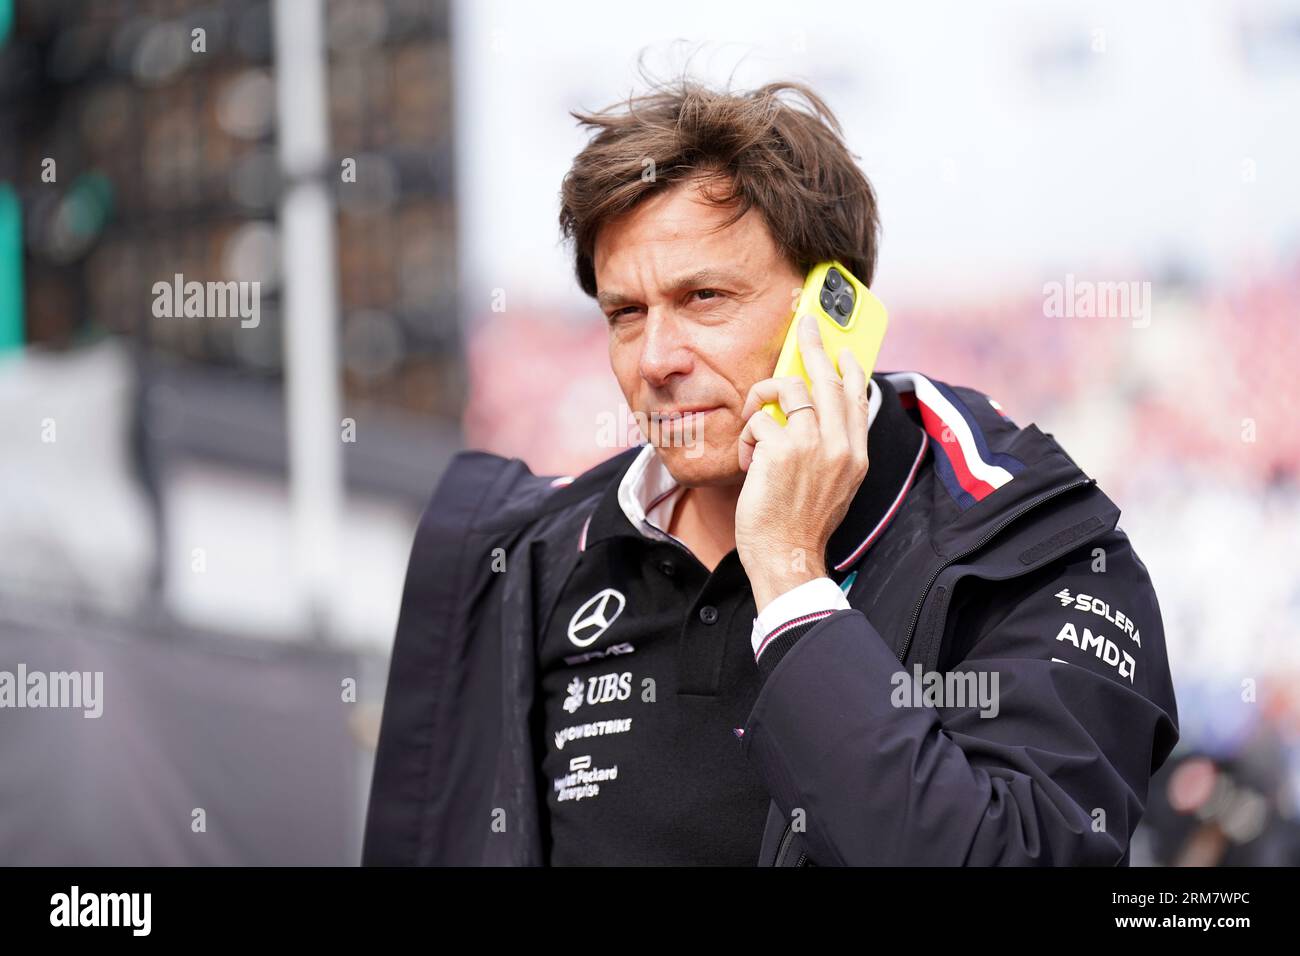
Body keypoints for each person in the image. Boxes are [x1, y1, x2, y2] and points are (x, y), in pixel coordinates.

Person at [361, 77, 1178, 866]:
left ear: (835, 309)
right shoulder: (538, 560)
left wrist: (791, 580)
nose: (656, 360)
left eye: (705, 297)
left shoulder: (1038, 553)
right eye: (626, 314)